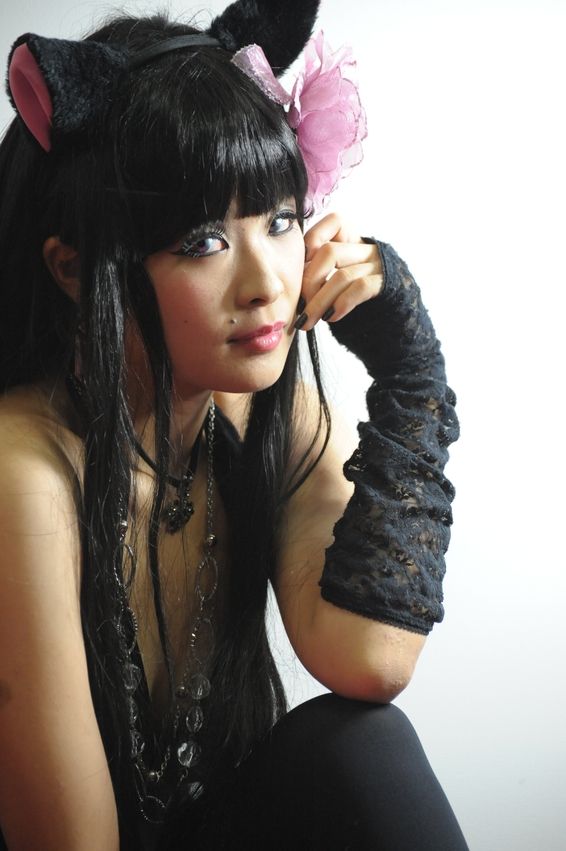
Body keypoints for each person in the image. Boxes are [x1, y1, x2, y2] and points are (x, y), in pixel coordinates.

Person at [0, 1, 467, 849]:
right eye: (203, 241)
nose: (266, 283)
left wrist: (411, 370)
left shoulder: (266, 413)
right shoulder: (22, 469)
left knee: (358, 747)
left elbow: (371, 659)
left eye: (281, 220)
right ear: (75, 269)